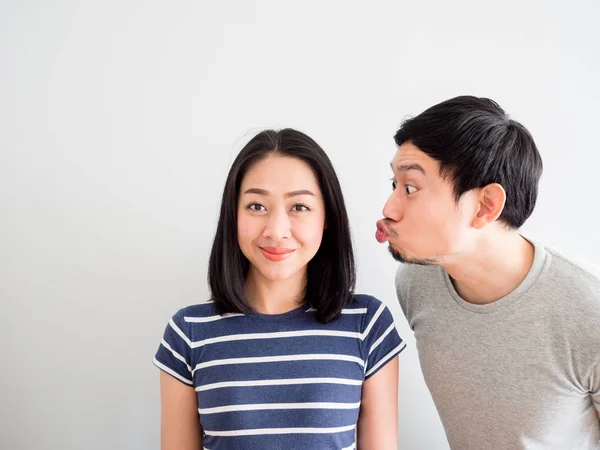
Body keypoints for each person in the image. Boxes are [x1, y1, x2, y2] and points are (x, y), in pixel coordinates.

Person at [154, 128, 405, 450]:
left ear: (326, 216)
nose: (276, 230)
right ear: (233, 213)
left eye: (299, 207)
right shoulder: (188, 332)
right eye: (256, 206)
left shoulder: (367, 324)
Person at [376, 96, 600, 449]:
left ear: (486, 206)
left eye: (410, 188)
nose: (389, 207)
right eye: (394, 185)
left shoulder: (590, 309)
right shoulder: (416, 283)